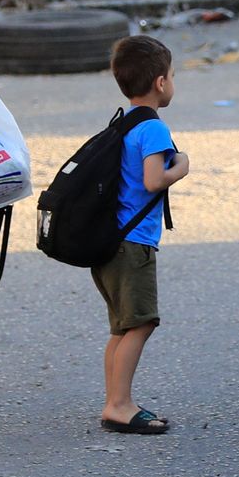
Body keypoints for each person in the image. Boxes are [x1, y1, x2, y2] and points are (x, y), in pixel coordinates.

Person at [92, 35, 189, 434]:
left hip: (111, 242)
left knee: (122, 327)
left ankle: (115, 399)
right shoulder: (152, 129)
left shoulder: (124, 122)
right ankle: (119, 404)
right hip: (134, 244)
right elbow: (153, 180)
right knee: (141, 323)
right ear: (161, 83)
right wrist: (180, 168)